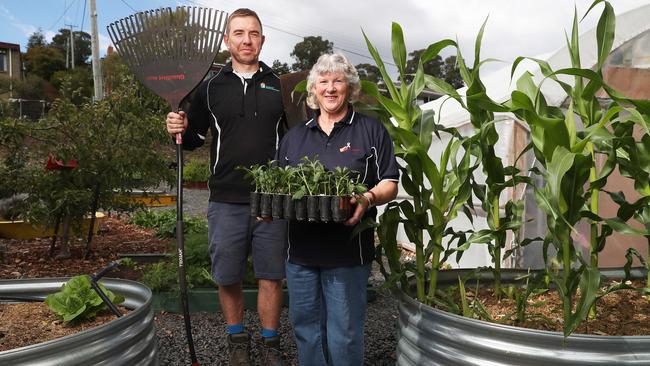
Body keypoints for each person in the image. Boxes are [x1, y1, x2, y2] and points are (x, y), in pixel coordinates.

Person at [166, 8, 287, 366]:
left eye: (253, 33)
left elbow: (295, 141)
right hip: (226, 199)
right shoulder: (210, 87)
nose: (246, 40)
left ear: (262, 40)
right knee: (228, 274)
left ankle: (270, 344)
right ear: (226, 40)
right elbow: (191, 138)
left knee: (271, 275)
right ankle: (237, 341)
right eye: (239, 33)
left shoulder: (279, 86)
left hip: (272, 201)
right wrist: (176, 125)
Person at [276, 53, 399, 366]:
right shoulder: (295, 137)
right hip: (301, 254)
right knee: (306, 330)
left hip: (347, 254)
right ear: (313, 89)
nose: (330, 88)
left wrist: (367, 198)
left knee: (344, 332)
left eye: (338, 81)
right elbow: (277, 188)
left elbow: (390, 182)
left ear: (351, 88)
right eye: (323, 82)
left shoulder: (371, 131)